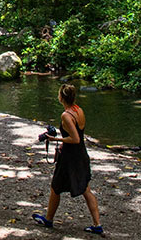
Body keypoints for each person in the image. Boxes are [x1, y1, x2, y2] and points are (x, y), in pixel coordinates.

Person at [32, 84, 103, 235]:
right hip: (81, 155)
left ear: (61, 97)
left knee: (56, 187)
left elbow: (75, 138)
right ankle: (97, 224)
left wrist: (54, 138)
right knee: (85, 189)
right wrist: (64, 142)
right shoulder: (79, 110)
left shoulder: (66, 115)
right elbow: (78, 134)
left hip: (71, 158)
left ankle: (49, 219)